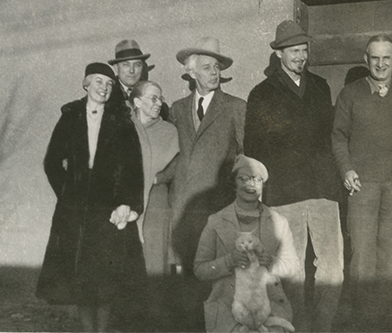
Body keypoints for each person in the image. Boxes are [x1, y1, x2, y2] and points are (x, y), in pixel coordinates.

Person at [244, 20, 343, 332]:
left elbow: (330, 137)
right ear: (280, 54)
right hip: (285, 193)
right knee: (291, 268)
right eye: (294, 51)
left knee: (332, 267)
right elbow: (253, 148)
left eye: (304, 50)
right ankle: (295, 326)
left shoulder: (320, 86)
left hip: (323, 190)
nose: (300, 56)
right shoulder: (262, 94)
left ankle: (323, 326)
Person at [36, 62, 145, 332]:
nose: (104, 88)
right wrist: (67, 193)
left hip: (109, 210)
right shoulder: (70, 115)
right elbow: (51, 161)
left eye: (109, 84)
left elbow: (134, 168)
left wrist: (128, 203)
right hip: (76, 211)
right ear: (86, 84)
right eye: (99, 82)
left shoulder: (121, 119)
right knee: (82, 278)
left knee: (106, 279)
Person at [331, 35, 392, 329]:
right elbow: (339, 137)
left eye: (386, 58)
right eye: (374, 58)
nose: (380, 64)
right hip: (361, 183)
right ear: (366, 60)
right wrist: (347, 169)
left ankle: (386, 320)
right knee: (363, 254)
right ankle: (364, 321)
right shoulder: (349, 94)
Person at [168, 37, 246, 330]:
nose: (214, 73)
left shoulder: (236, 107)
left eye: (217, 67)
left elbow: (245, 158)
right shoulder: (176, 109)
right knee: (186, 279)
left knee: (220, 281)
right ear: (191, 73)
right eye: (206, 67)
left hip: (218, 209)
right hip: (184, 209)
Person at [194, 154, 300, 332]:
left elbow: (294, 266)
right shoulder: (216, 221)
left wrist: (272, 262)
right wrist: (228, 262)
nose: (251, 185)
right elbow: (199, 269)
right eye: (244, 179)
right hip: (229, 312)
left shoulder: (278, 222)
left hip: (270, 311)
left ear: (263, 185)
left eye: (257, 180)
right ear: (234, 184)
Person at [129, 80, 179, 273]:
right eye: (153, 98)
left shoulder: (169, 131)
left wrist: (161, 178)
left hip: (156, 200)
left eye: (161, 98)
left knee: (155, 257)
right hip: (128, 198)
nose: (159, 103)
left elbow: (178, 163)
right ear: (138, 102)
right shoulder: (124, 128)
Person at [108, 39, 170, 119]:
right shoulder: (107, 94)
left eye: (137, 65)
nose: (132, 70)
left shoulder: (154, 96)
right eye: (126, 65)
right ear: (116, 68)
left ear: (142, 67)